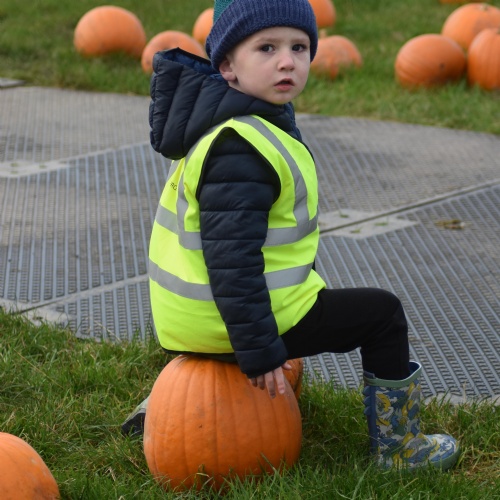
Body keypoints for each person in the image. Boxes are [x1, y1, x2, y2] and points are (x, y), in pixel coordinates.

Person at [123, 0, 459, 471]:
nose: (287, 61)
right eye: (267, 48)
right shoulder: (242, 148)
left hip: (190, 322)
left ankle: (167, 403)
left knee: (316, 297)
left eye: (299, 47)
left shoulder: (228, 125)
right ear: (227, 67)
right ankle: (399, 447)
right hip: (228, 322)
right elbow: (232, 262)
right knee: (382, 315)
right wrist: (260, 349)